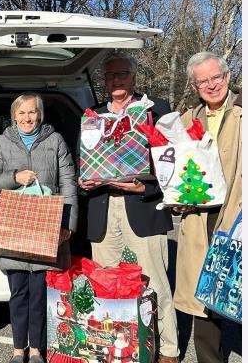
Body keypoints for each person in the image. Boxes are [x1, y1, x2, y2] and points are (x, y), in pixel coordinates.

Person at [78, 52, 179, 363]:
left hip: (142, 207)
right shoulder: (91, 115)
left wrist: (145, 187)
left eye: (122, 74)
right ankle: (116, 348)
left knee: (154, 284)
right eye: (110, 76)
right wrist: (85, 183)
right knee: (108, 285)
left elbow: (173, 164)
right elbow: (83, 159)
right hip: (103, 210)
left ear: (134, 77)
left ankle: (169, 351)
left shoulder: (155, 110)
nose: (116, 80)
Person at [0, 92, 78, 363]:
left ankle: (36, 349)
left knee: (39, 293)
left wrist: (68, 225)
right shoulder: (2, 143)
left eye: (32, 112)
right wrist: (14, 177)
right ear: (14, 116)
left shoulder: (55, 141)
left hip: (46, 227)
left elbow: (69, 183)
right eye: (22, 113)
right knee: (18, 294)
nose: (27, 117)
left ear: (40, 114)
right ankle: (17, 350)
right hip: (16, 226)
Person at [173, 51, 241, 362]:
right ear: (194, 85)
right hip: (202, 218)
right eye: (203, 81)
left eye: (216, 77)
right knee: (205, 299)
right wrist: (177, 200)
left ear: (227, 77)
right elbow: (176, 173)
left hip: (239, 215)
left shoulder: (246, 110)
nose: (211, 85)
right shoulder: (187, 120)